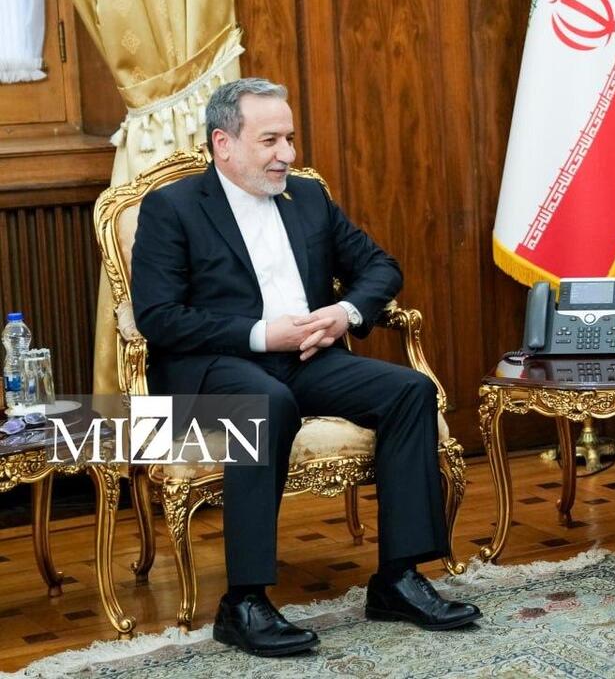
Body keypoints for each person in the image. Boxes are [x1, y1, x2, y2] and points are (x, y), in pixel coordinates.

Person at [132, 77, 480, 657]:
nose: (287, 154)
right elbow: (159, 318)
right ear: (223, 144)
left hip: (308, 356)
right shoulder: (173, 208)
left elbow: (381, 266)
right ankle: (243, 603)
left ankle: (397, 579)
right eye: (270, 141)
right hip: (213, 366)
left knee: (410, 391)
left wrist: (345, 313)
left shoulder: (308, 197)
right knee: (267, 404)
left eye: (290, 139)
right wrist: (260, 333)